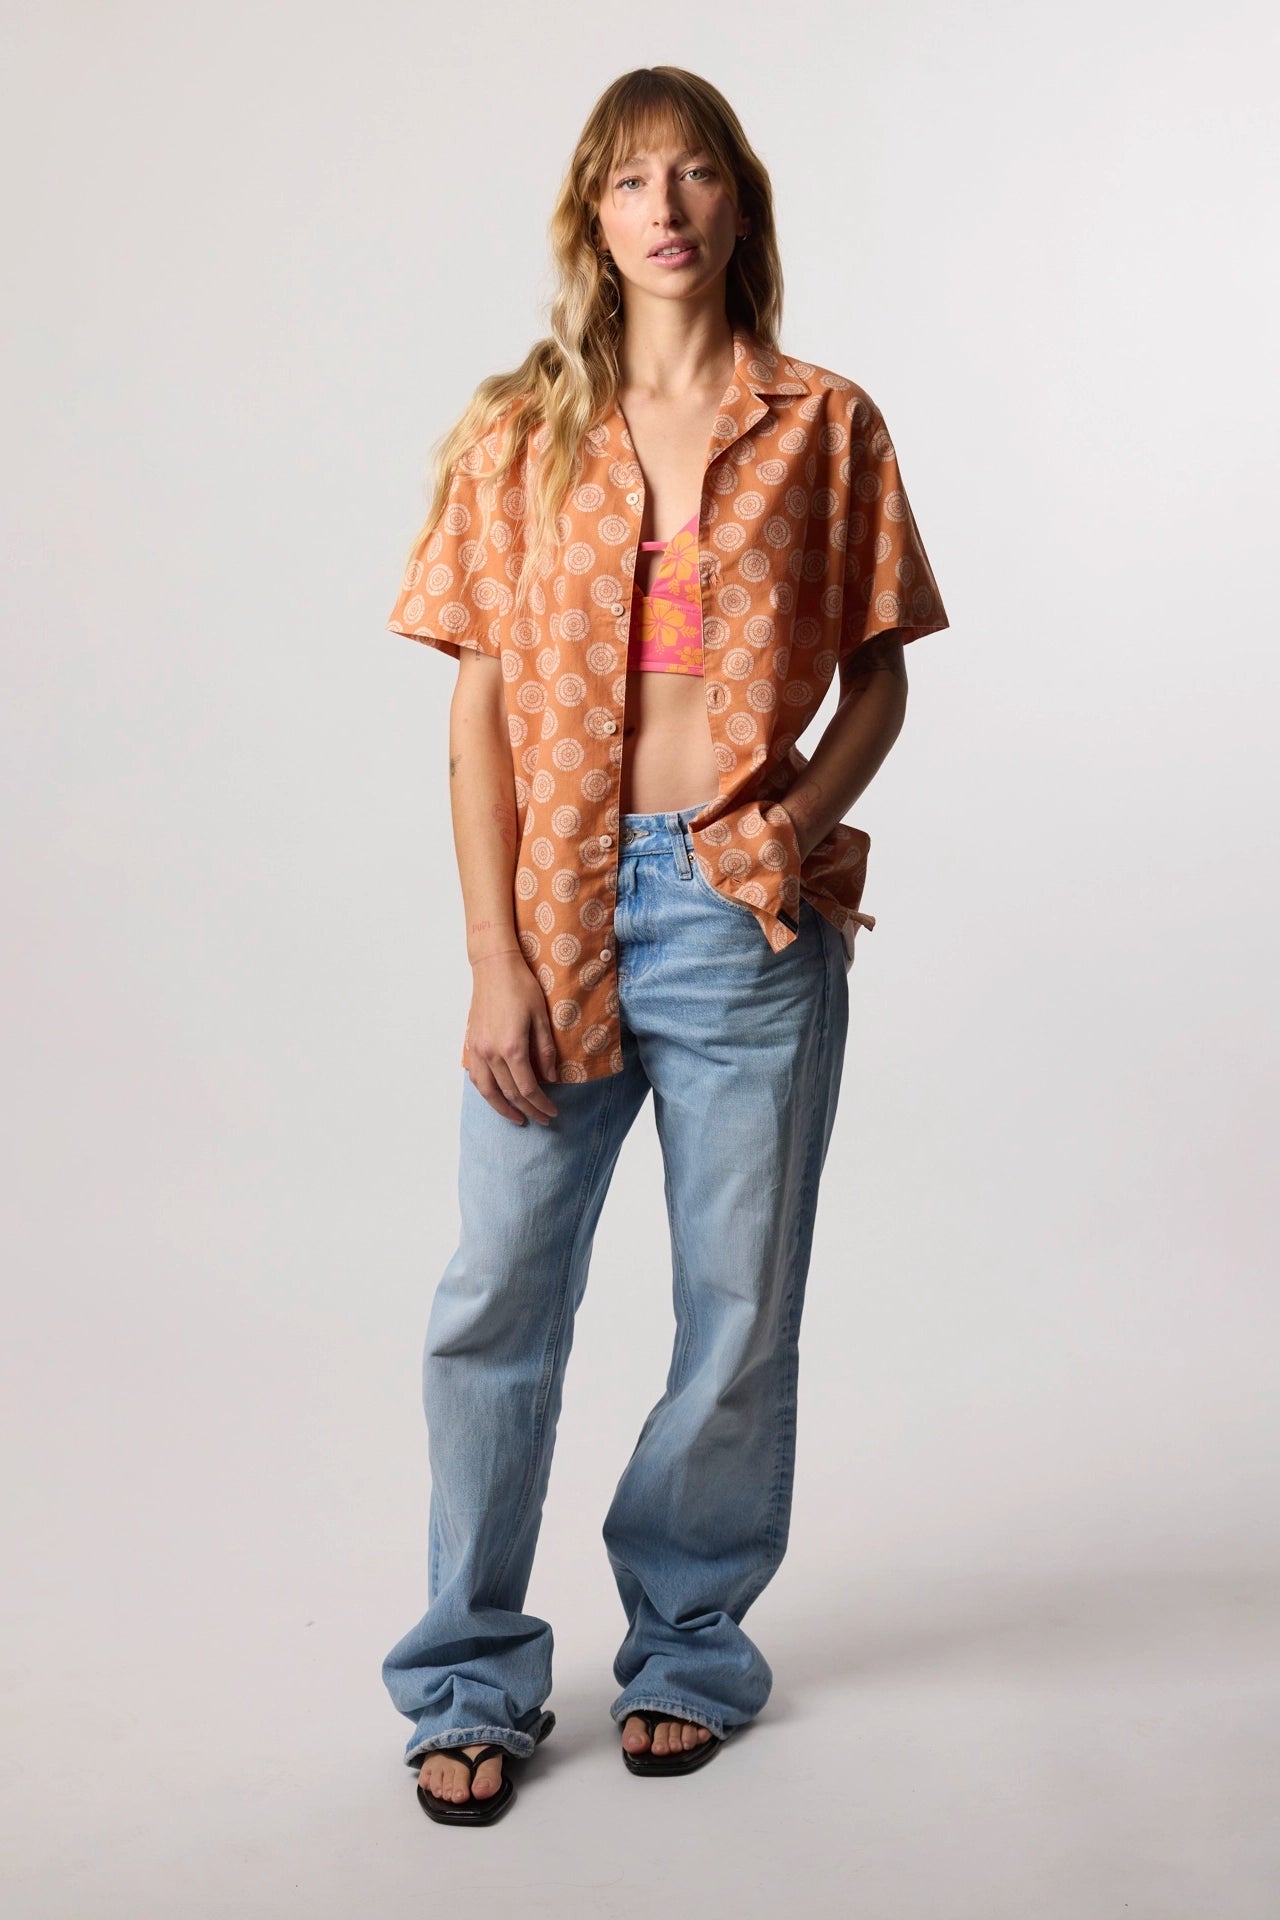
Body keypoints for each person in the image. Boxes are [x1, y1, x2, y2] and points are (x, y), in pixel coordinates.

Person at [379, 65, 949, 1826]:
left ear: (738, 201)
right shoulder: (518, 433)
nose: (667, 208)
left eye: (695, 174)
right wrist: (494, 958)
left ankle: (689, 1647)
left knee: (737, 1307)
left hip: (741, 916)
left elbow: (883, 676)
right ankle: (468, 1673)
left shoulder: (826, 423)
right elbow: (477, 714)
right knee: (496, 1297)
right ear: (593, 216)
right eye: (632, 181)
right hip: (554, 910)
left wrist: (787, 820)